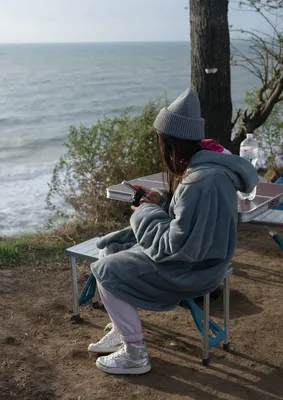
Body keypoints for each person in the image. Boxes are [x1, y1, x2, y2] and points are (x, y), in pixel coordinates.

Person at [87, 88, 258, 375]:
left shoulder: (199, 182)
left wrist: (144, 212)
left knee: (105, 270)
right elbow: (193, 222)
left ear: (172, 144)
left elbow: (175, 246)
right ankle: (120, 329)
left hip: (193, 268)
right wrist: (160, 203)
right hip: (202, 258)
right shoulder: (211, 171)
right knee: (110, 249)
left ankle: (135, 353)